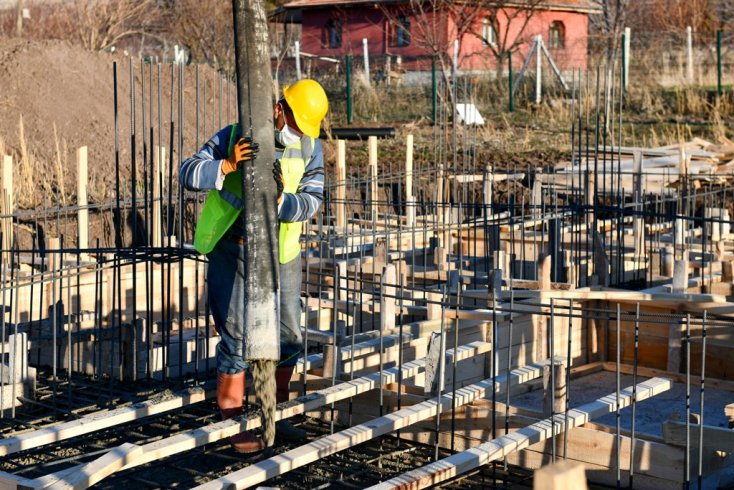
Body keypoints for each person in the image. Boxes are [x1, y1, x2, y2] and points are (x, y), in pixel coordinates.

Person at [180, 79, 328, 453]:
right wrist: (227, 165)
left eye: (303, 129)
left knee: (289, 335)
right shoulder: (233, 136)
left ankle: (274, 412)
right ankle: (230, 420)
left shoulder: (311, 147)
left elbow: (312, 200)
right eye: (294, 124)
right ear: (280, 109)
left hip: (281, 253)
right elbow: (187, 173)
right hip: (233, 248)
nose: (297, 134)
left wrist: (281, 202)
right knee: (236, 335)